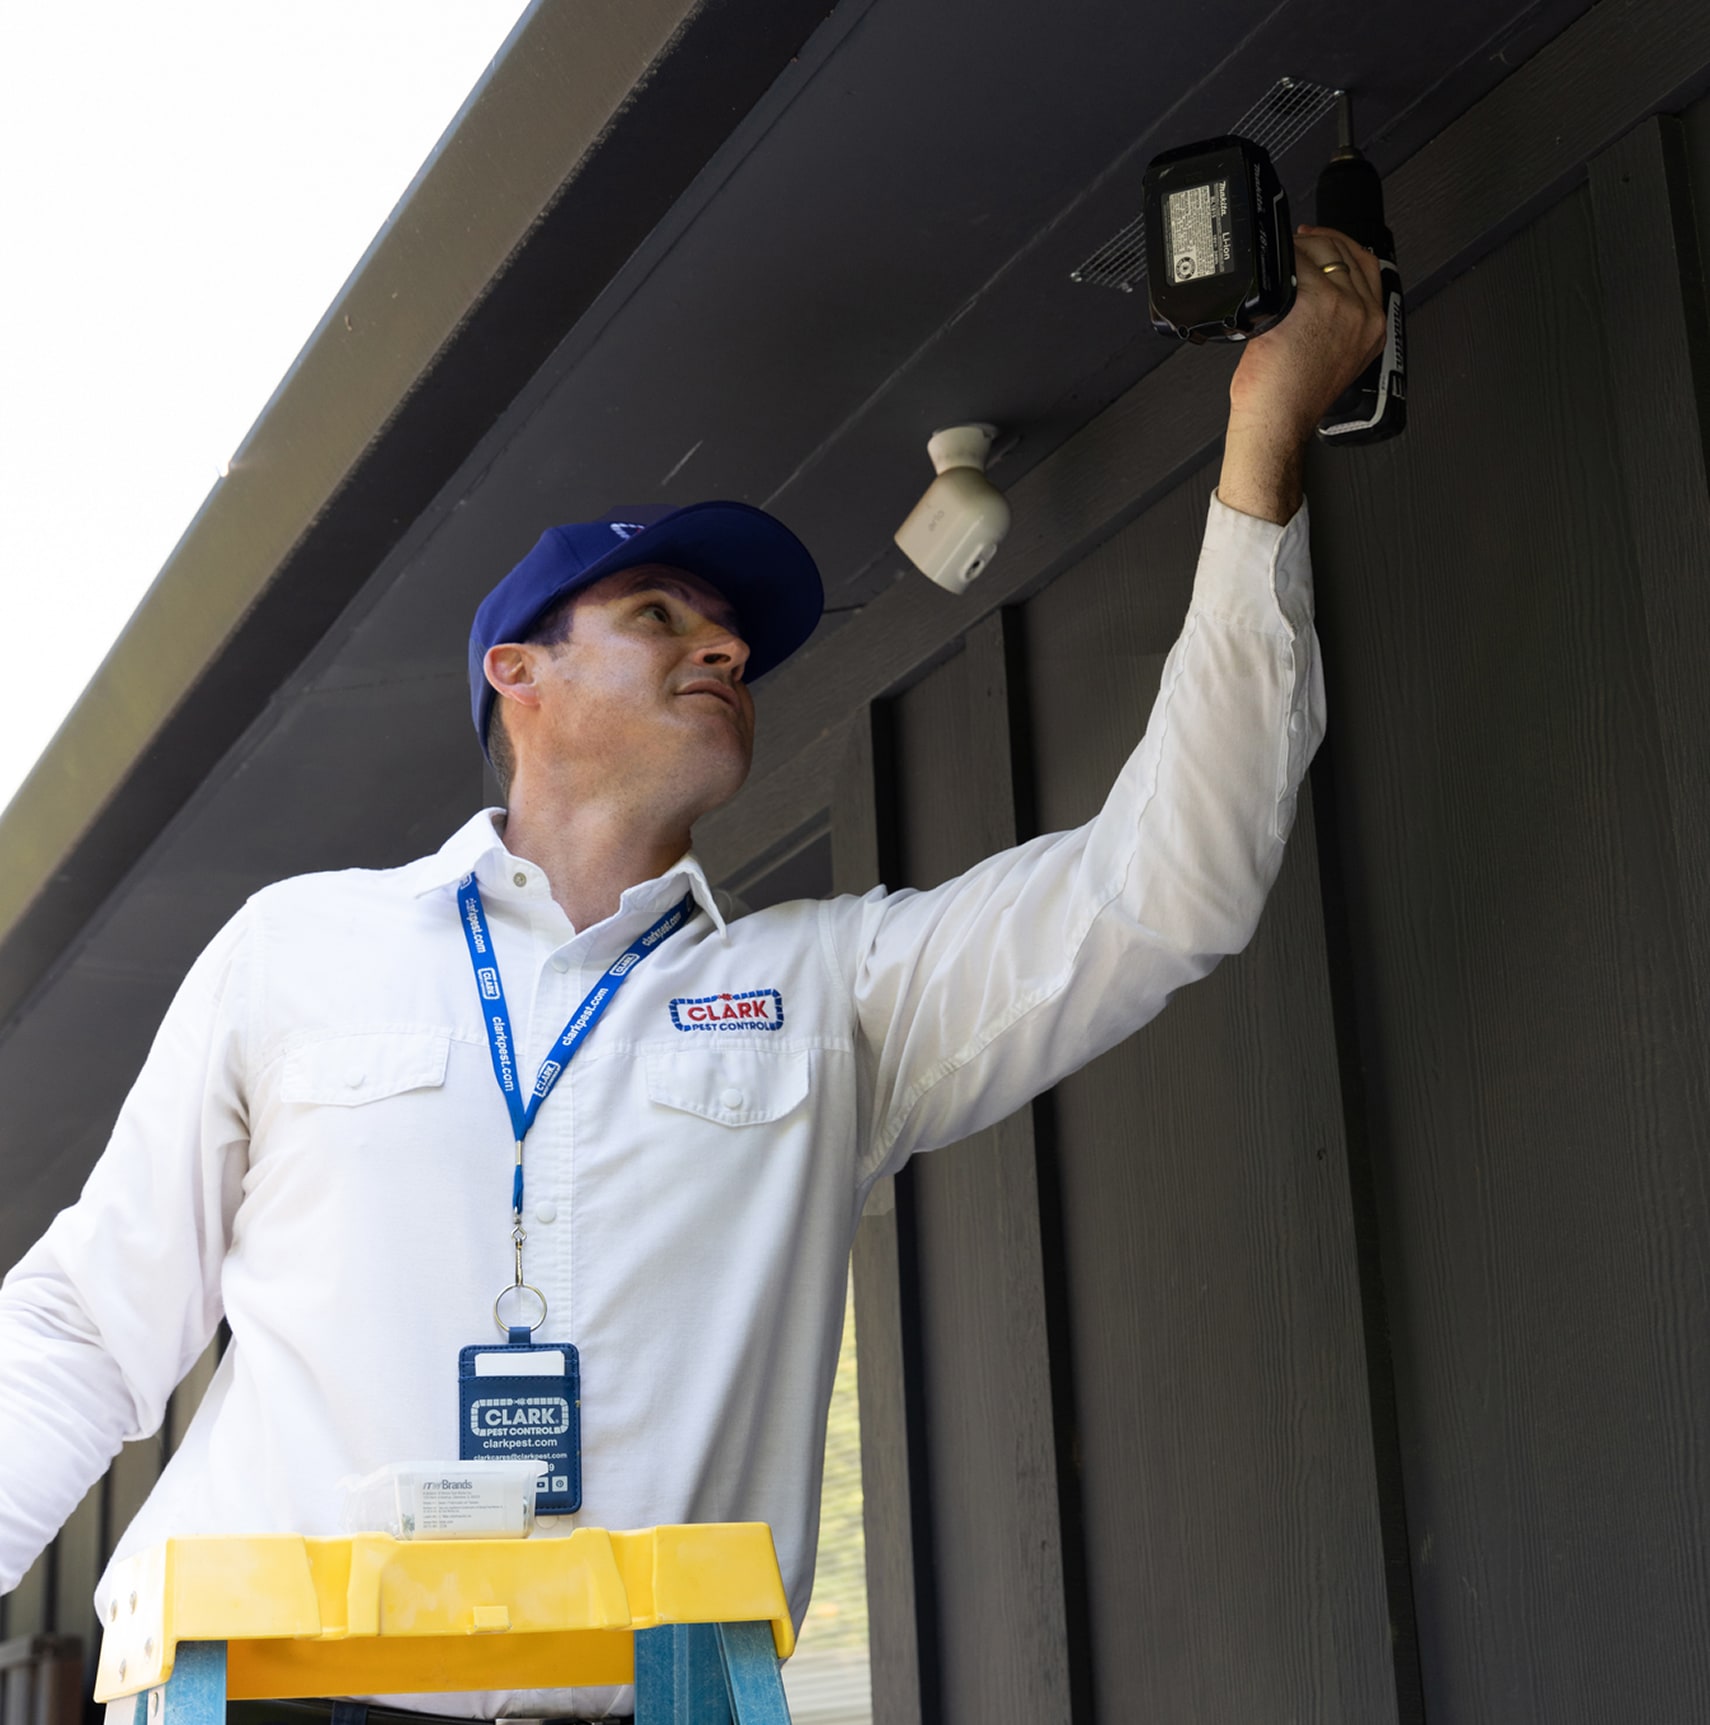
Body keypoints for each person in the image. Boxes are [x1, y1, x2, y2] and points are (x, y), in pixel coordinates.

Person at [0, 228, 1384, 1722]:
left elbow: (1164, 886)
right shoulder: (298, 949)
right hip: (262, 1698)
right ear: (518, 676)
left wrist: (1261, 436)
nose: (724, 646)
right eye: (660, 614)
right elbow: (83, 1329)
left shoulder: (831, 995)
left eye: (733, 637)